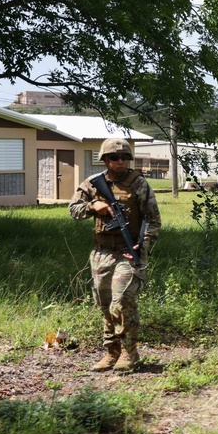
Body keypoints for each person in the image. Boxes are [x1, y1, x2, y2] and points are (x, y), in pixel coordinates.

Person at [69, 138, 161, 372]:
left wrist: (143, 245)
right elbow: (73, 210)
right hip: (101, 253)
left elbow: (152, 220)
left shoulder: (138, 183)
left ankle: (130, 352)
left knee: (121, 302)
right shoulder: (92, 184)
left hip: (128, 253)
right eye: (114, 158)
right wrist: (93, 207)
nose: (120, 162)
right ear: (106, 160)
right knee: (105, 303)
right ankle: (112, 352)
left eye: (124, 158)